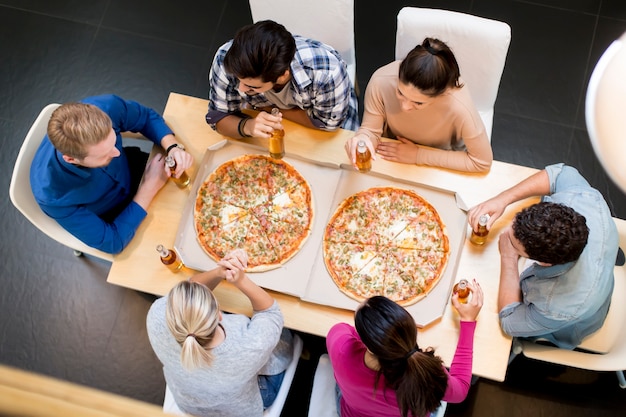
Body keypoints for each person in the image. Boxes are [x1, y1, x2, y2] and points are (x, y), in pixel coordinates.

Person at [468, 163, 619, 349]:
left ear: (544, 263)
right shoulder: (585, 200)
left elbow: (509, 321)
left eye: (515, 244)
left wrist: (508, 257)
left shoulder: (554, 307)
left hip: (576, 321)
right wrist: (502, 200)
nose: (506, 233)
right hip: (602, 276)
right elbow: (559, 174)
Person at [30, 94, 193, 254]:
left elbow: (145, 117)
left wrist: (173, 147)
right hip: (117, 214)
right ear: (72, 159)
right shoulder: (52, 196)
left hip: (135, 168)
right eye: (103, 155)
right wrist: (148, 189)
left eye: (114, 141)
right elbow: (112, 242)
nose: (117, 153)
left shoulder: (104, 108)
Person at [146, 249, 294, 417]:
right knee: (282, 337)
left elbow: (191, 288)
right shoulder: (247, 347)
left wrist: (220, 271)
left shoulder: (157, 315)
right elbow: (271, 314)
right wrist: (241, 280)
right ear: (219, 314)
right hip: (242, 407)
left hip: (189, 402)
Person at [327, 281, 484, 417]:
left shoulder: (341, 349)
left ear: (369, 345)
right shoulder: (426, 375)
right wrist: (468, 320)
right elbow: (461, 390)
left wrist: (374, 334)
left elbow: (342, 329)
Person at [345, 37, 492, 173]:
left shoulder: (459, 106)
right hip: (392, 152)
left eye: (418, 102)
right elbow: (371, 130)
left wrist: (418, 155)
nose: (405, 107)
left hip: (440, 160)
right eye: (400, 93)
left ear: (442, 94)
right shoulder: (381, 81)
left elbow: (482, 162)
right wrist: (362, 140)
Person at [206, 20, 359, 139]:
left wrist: (266, 110)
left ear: (282, 76)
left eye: (252, 87)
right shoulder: (225, 58)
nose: (241, 89)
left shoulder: (327, 72)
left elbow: (326, 124)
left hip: (330, 126)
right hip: (269, 122)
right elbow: (218, 118)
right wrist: (248, 126)